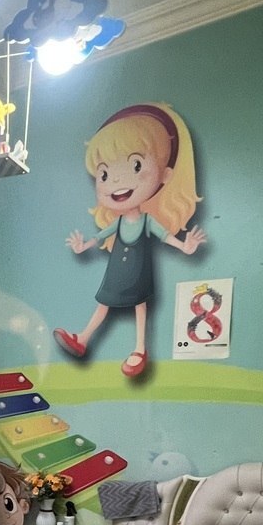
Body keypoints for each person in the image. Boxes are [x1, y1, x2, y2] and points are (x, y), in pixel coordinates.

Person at [53, 104, 205, 379]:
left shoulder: (146, 221)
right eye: (104, 174)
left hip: (137, 272)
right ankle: (82, 338)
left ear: (165, 174)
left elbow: (164, 235)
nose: (117, 181)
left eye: (135, 165)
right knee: (104, 303)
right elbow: (101, 236)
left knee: (139, 307)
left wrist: (184, 246)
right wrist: (82, 246)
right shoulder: (120, 222)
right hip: (117, 271)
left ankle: (139, 349)